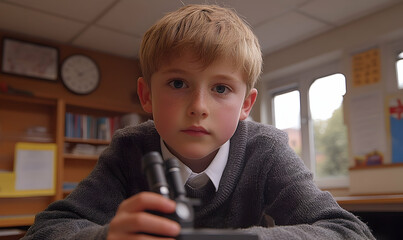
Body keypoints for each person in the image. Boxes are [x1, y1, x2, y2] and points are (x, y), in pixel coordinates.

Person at [23, 4, 374, 240]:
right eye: (178, 84)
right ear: (146, 96)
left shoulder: (264, 150)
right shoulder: (129, 150)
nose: (198, 107)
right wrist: (104, 236)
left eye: (221, 88)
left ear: (245, 105)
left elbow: (350, 232)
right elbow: (44, 230)